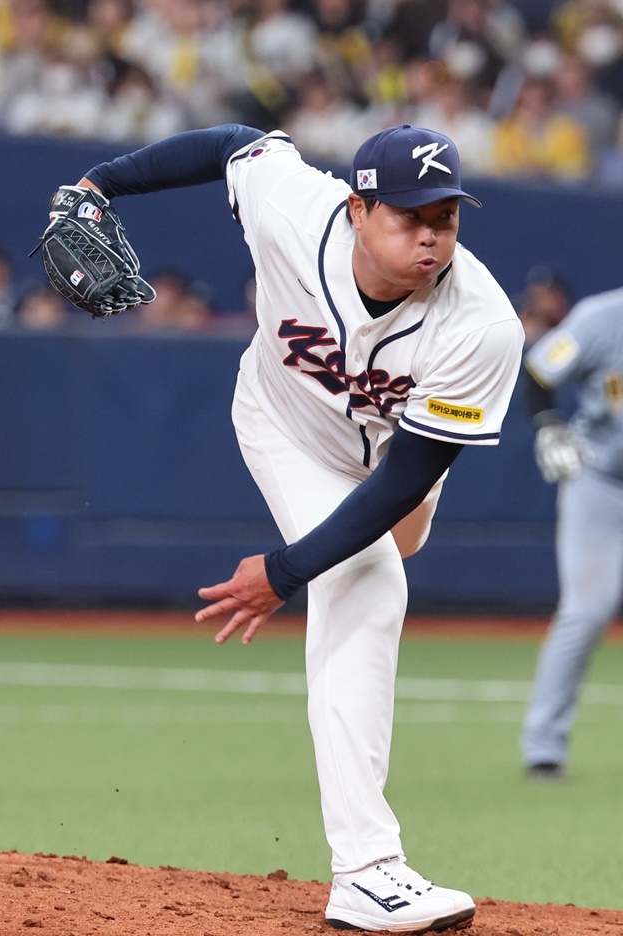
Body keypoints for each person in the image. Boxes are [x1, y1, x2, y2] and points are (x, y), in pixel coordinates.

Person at [69, 121, 524, 932]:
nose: (430, 235)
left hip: (394, 464)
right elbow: (229, 144)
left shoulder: (483, 323)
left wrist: (284, 571)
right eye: (408, 215)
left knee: (387, 549)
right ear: (357, 208)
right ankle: (367, 871)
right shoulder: (291, 205)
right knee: (371, 583)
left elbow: (409, 480)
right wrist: (102, 183)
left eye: (445, 217)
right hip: (286, 426)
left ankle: (367, 867)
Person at [520, 286, 623, 782]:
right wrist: (546, 425)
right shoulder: (602, 317)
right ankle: (544, 746)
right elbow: (539, 372)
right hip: (600, 482)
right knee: (585, 611)